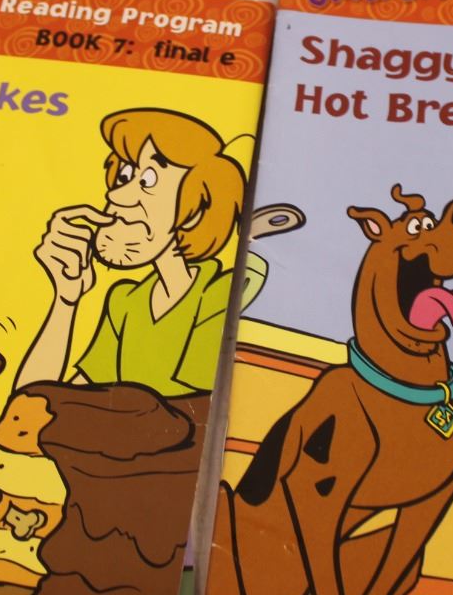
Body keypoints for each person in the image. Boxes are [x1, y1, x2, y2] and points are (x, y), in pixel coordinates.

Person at [15, 107, 289, 395]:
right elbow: (33, 406)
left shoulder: (219, 294)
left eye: (147, 181)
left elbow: (191, 404)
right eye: (124, 177)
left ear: (196, 211)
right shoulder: (124, 300)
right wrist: (66, 299)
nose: (116, 195)